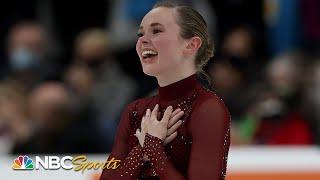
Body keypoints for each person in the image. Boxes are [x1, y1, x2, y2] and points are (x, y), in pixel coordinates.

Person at [100, 1, 230, 179]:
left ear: (191, 45)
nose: (142, 40)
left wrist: (153, 147)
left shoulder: (207, 110)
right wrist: (142, 151)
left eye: (157, 31)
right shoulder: (135, 111)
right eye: (141, 33)